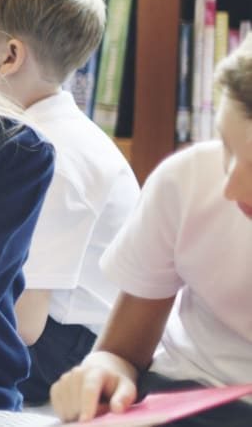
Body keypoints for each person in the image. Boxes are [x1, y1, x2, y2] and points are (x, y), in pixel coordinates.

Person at [50, 41, 252, 427]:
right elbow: (121, 353)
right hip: (185, 393)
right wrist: (101, 372)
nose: (231, 187)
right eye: (226, 146)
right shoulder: (187, 181)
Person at [0, 0, 140, 403]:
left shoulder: (55, 157)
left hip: (75, 345)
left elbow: (24, 324)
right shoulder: (22, 133)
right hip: (45, 327)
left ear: (9, 56)